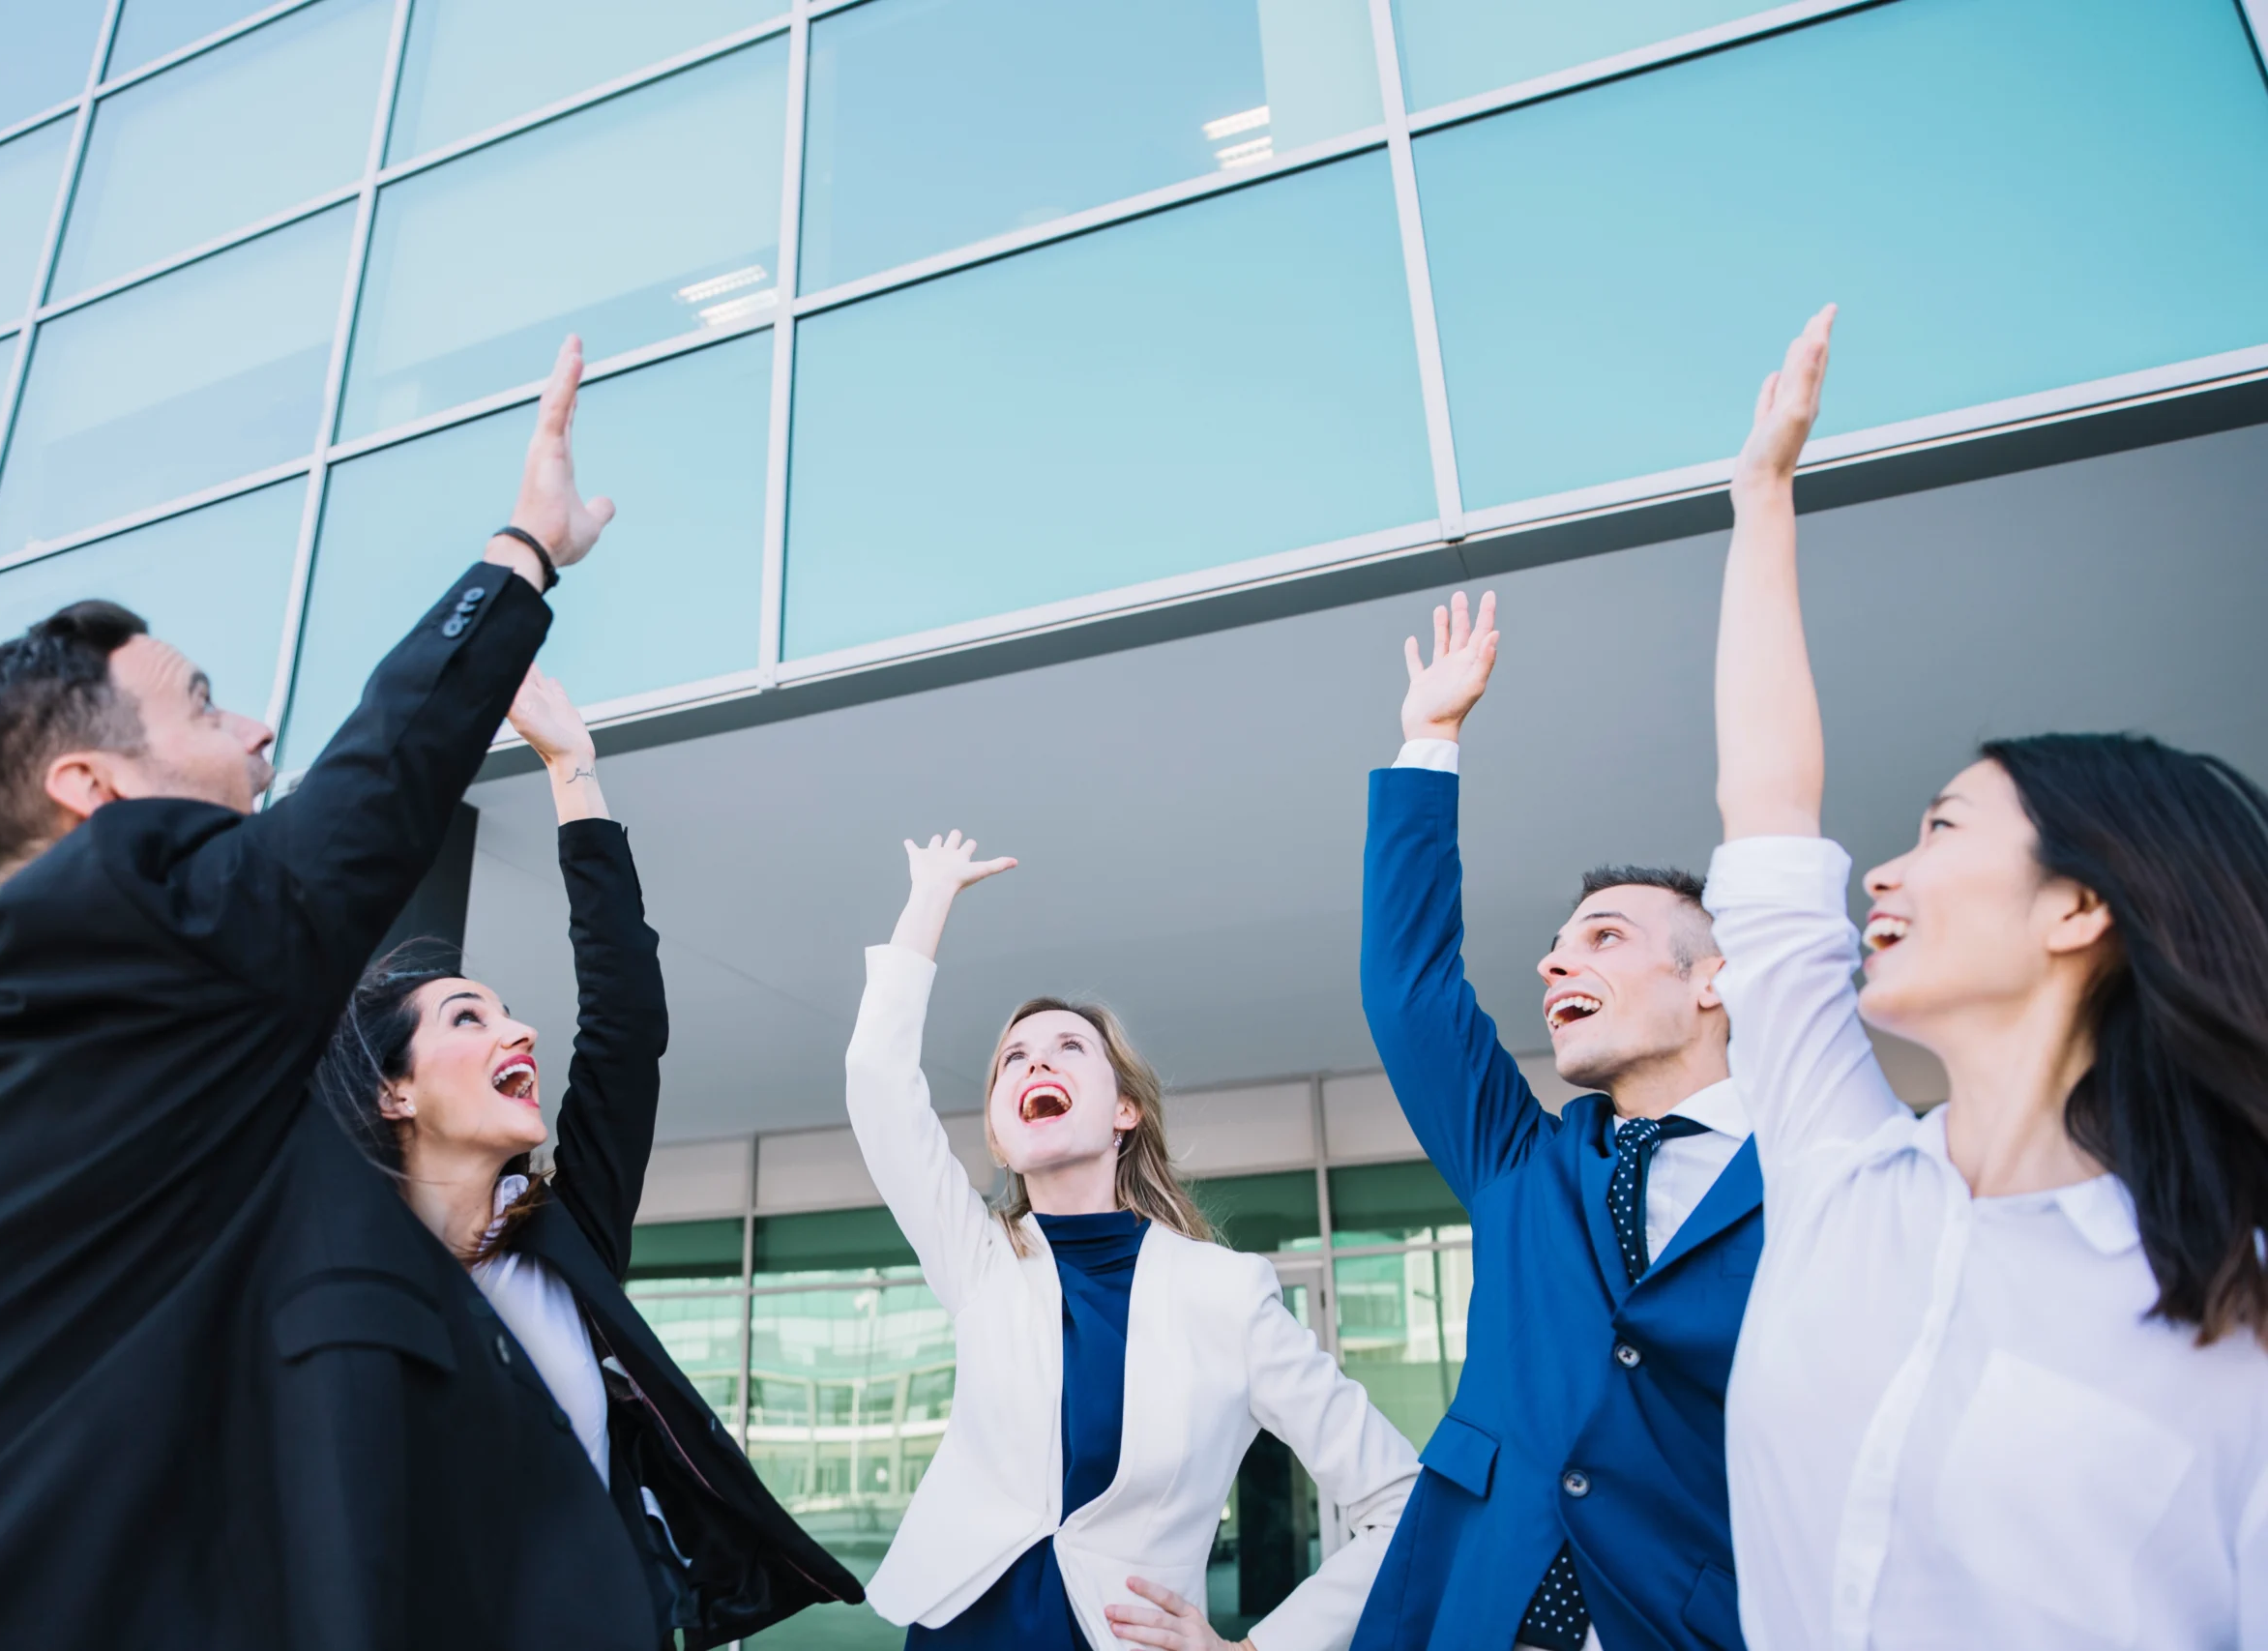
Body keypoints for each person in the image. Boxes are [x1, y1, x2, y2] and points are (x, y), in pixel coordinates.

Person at [0, 339, 690, 1649]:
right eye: (203, 704)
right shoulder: (173, 941)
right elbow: (367, 800)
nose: (257, 729)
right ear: (92, 791)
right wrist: (523, 553)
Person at [1707, 306, 2268, 1649]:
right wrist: (1760, 500)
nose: (1880, 878)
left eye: (1941, 828)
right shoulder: (1839, 1173)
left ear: (2080, 903)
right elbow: (1771, 813)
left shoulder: (2234, 1311)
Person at [311, 663, 861, 1644]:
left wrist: (573, 771)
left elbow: (623, 1029)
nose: (517, 1032)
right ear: (392, 1089)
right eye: (468, 1017)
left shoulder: (565, 1244)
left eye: (508, 1012)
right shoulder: (332, 1266)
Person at [842, 832, 1420, 1651]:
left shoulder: (1227, 1293)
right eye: (1013, 1058)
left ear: (1125, 1111)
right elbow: (877, 1080)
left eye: (1069, 1047)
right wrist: (929, 895)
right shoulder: (979, 1260)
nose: (1035, 1062)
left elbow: (1401, 1501)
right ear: (1001, 1138)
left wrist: (1258, 1649)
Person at [1349, 596, 1761, 1651]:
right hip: (1476, 1613)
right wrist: (1428, 740)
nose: (1553, 963)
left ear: (1711, 982)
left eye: (1604, 937)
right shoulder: (1517, 1163)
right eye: (1555, 945)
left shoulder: (1818, 1175)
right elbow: (1410, 988)